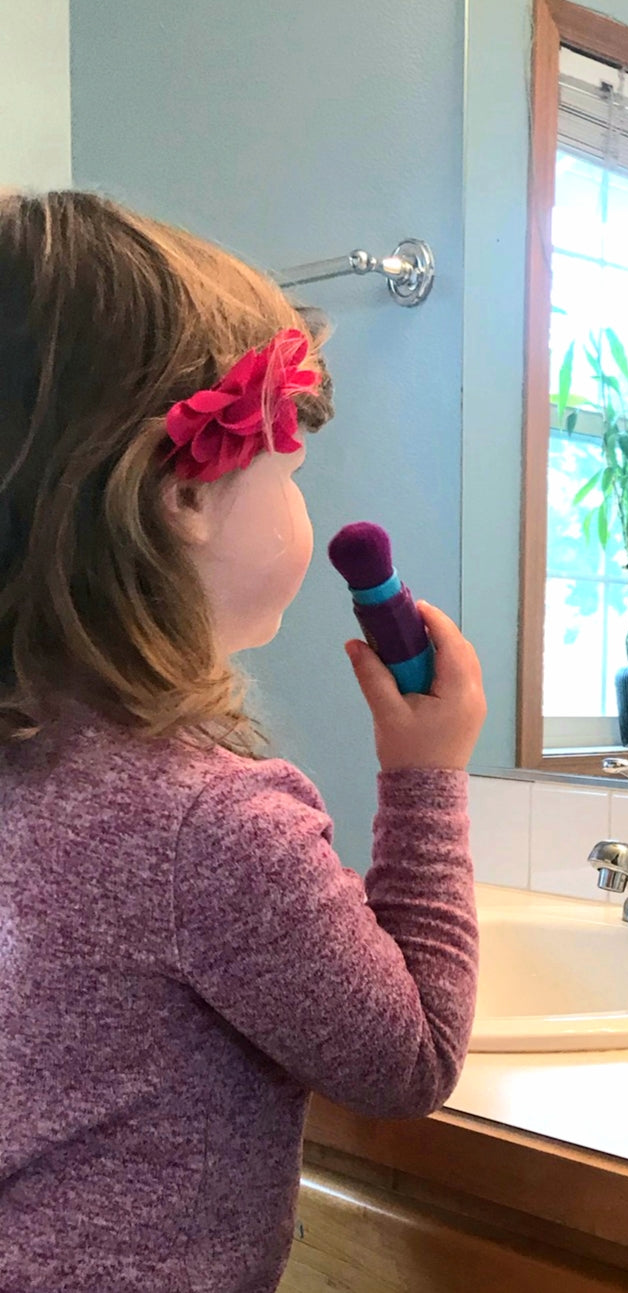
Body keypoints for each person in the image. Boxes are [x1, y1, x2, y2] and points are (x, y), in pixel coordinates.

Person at [0, 191, 487, 1291]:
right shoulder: (207, 821)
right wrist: (425, 776)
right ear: (185, 497)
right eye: (294, 470)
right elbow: (406, 1059)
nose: (306, 501)